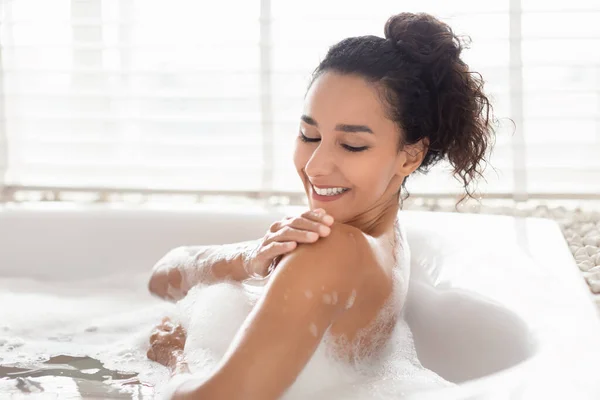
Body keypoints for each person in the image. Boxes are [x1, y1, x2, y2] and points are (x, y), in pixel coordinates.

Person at [146, 11, 495, 400]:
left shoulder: (329, 250)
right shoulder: (381, 236)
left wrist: (173, 358)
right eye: (309, 134)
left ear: (410, 157)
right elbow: (163, 276)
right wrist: (251, 256)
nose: (315, 166)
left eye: (352, 145)